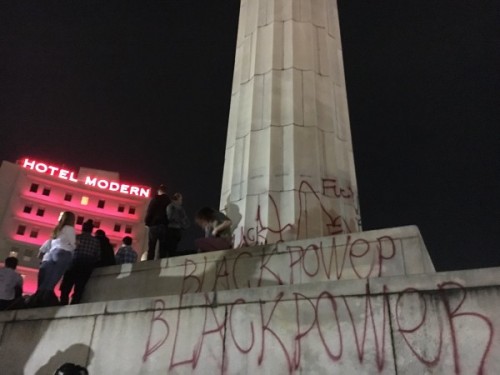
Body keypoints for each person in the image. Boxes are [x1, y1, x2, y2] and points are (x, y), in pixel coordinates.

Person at [59, 220, 100, 305]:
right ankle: (74, 303)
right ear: (91, 230)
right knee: (79, 287)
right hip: (86, 265)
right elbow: (97, 256)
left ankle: (63, 303)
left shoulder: (76, 237)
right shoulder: (96, 241)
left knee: (66, 285)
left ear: (83, 228)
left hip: (73, 263)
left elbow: (68, 250)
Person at [37, 211, 76, 298]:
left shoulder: (58, 229)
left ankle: (39, 296)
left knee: (48, 278)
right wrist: (77, 244)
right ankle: (44, 297)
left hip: (53, 252)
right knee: (54, 278)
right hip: (64, 253)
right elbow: (73, 243)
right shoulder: (69, 228)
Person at [144, 184, 171, 260]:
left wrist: (147, 222)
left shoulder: (155, 199)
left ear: (159, 191)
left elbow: (150, 211)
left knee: (151, 246)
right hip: (164, 225)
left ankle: (149, 263)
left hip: (154, 225)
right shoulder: (169, 201)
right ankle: (161, 262)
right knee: (162, 247)